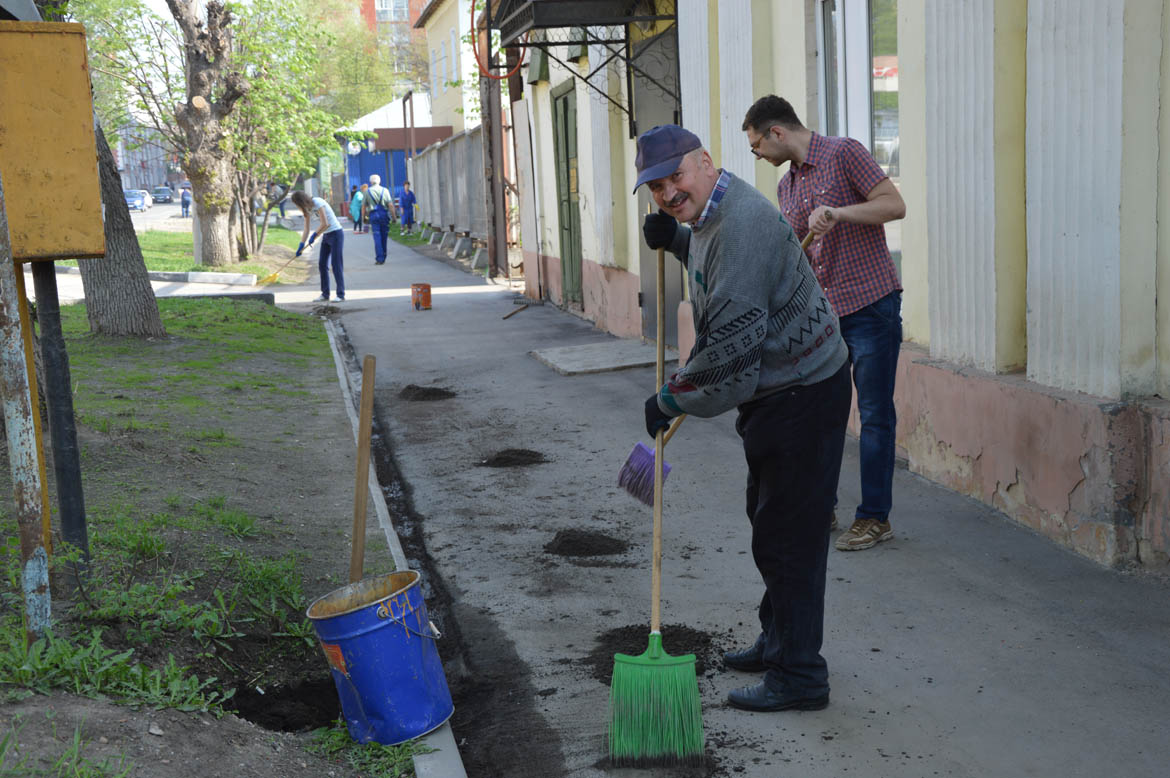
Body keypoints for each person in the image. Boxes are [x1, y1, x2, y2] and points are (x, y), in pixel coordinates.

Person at [637, 125, 851, 713]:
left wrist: (671, 398)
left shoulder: (745, 223)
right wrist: (679, 241)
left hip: (801, 393)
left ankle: (800, 676)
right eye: (655, 188)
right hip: (780, 392)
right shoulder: (712, 213)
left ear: (705, 162)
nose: (667, 193)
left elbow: (730, 356)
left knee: (790, 541)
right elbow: (715, 260)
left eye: (674, 177)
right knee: (769, 521)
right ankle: (779, 640)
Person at [742, 95, 906, 552]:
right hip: (824, 320)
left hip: (871, 307)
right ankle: (821, 506)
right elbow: (793, 253)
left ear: (777, 132)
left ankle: (874, 517)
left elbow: (894, 205)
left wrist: (839, 214)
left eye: (756, 144)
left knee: (874, 416)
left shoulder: (843, 152)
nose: (757, 154)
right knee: (822, 416)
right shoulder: (785, 188)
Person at [291, 189, 345, 302]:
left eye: (297, 205)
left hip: (336, 234)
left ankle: (340, 294)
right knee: (322, 265)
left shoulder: (318, 202)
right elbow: (306, 229)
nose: (298, 207)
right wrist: (301, 245)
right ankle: (325, 294)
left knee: (336, 265)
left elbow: (325, 223)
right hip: (326, 235)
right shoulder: (307, 209)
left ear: (302, 201)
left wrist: (314, 235)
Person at [361, 174, 397, 265]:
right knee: (384, 236)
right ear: (379, 181)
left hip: (373, 215)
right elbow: (391, 205)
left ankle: (379, 258)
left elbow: (363, 207)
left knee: (377, 236)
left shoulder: (367, 192)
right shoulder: (385, 190)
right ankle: (383, 255)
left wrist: (363, 218)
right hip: (384, 214)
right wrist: (394, 217)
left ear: (370, 182)